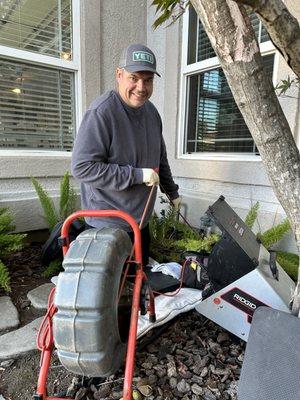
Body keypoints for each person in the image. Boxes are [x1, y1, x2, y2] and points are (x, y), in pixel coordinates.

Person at [71, 43, 180, 265]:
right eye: (134, 78)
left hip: (141, 223)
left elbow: (160, 158)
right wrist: (137, 175)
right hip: (108, 226)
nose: (141, 87)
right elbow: (82, 167)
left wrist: (172, 192)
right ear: (119, 75)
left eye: (148, 80)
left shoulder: (151, 113)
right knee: (112, 295)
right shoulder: (102, 113)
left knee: (139, 284)